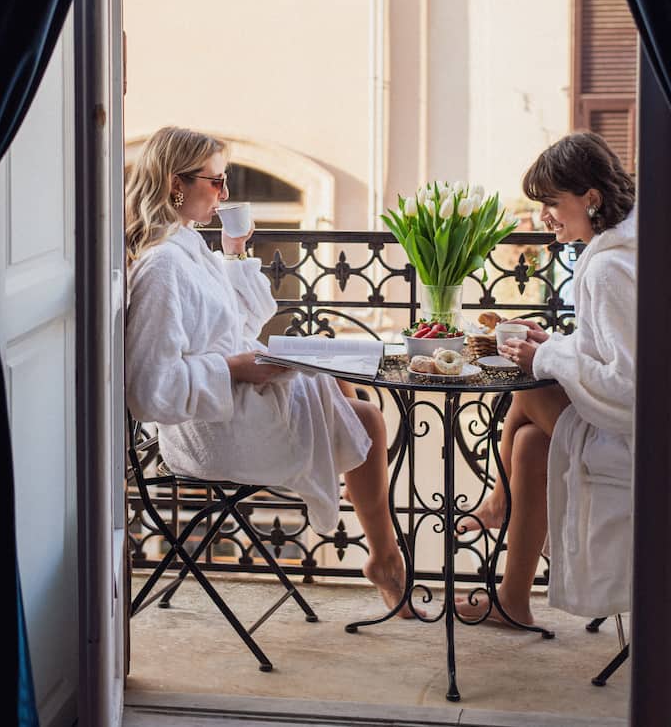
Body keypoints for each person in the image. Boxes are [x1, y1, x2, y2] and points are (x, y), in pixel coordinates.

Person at [125, 126, 414, 616]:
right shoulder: (163, 268)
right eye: (216, 182)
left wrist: (235, 251)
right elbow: (151, 390)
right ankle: (384, 558)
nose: (225, 194)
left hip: (231, 406)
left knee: (332, 372)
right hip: (207, 429)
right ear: (176, 184)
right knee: (366, 421)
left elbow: (243, 321)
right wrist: (232, 370)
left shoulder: (189, 247)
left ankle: (364, 503)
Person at [457, 131, 636, 625]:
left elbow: (630, 387)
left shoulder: (609, 269)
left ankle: (498, 501)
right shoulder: (622, 249)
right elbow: (607, 350)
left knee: (526, 383)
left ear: (591, 198)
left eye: (552, 203)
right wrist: (553, 343)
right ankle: (513, 601)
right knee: (531, 444)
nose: (543, 218)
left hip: (637, 441)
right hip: (627, 427)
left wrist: (547, 357)